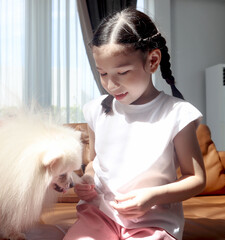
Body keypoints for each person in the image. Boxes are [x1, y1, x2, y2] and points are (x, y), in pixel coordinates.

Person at [64, 8, 206, 240]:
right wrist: (88, 178)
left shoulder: (177, 113)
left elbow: (196, 179)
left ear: (152, 61)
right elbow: (94, 162)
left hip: (154, 221)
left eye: (122, 72)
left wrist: (152, 197)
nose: (110, 84)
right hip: (100, 214)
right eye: (103, 73)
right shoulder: (96, 109)